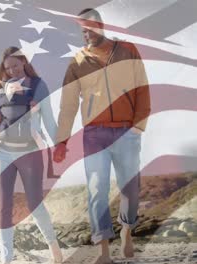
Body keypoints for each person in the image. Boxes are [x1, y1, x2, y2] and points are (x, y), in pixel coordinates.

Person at [53, 8, 151, 264]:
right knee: (97, 189)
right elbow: (68, 105)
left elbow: (142, 88)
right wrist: (61, 140)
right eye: (83, 30)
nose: (87, 34)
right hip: (95, 134)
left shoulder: (128, 50)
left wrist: (137, 126)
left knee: (131, 187)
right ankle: (103, 249)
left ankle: (127, 231)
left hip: (126, 132)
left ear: (101, 25)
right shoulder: (77, 62)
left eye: (91, 28)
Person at [0, 46, 63, 264]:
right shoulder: (3, 87)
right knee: (4, 206)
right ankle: (7, 259)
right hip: (3, 152)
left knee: (34, 203)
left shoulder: (39, 86)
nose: (12, 70)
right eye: (7, 68)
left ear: (23, 61)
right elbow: (4, 115)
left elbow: (49, 120)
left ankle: (53, 246)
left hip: (30, 151)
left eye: (15, 65)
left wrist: (59, 145)